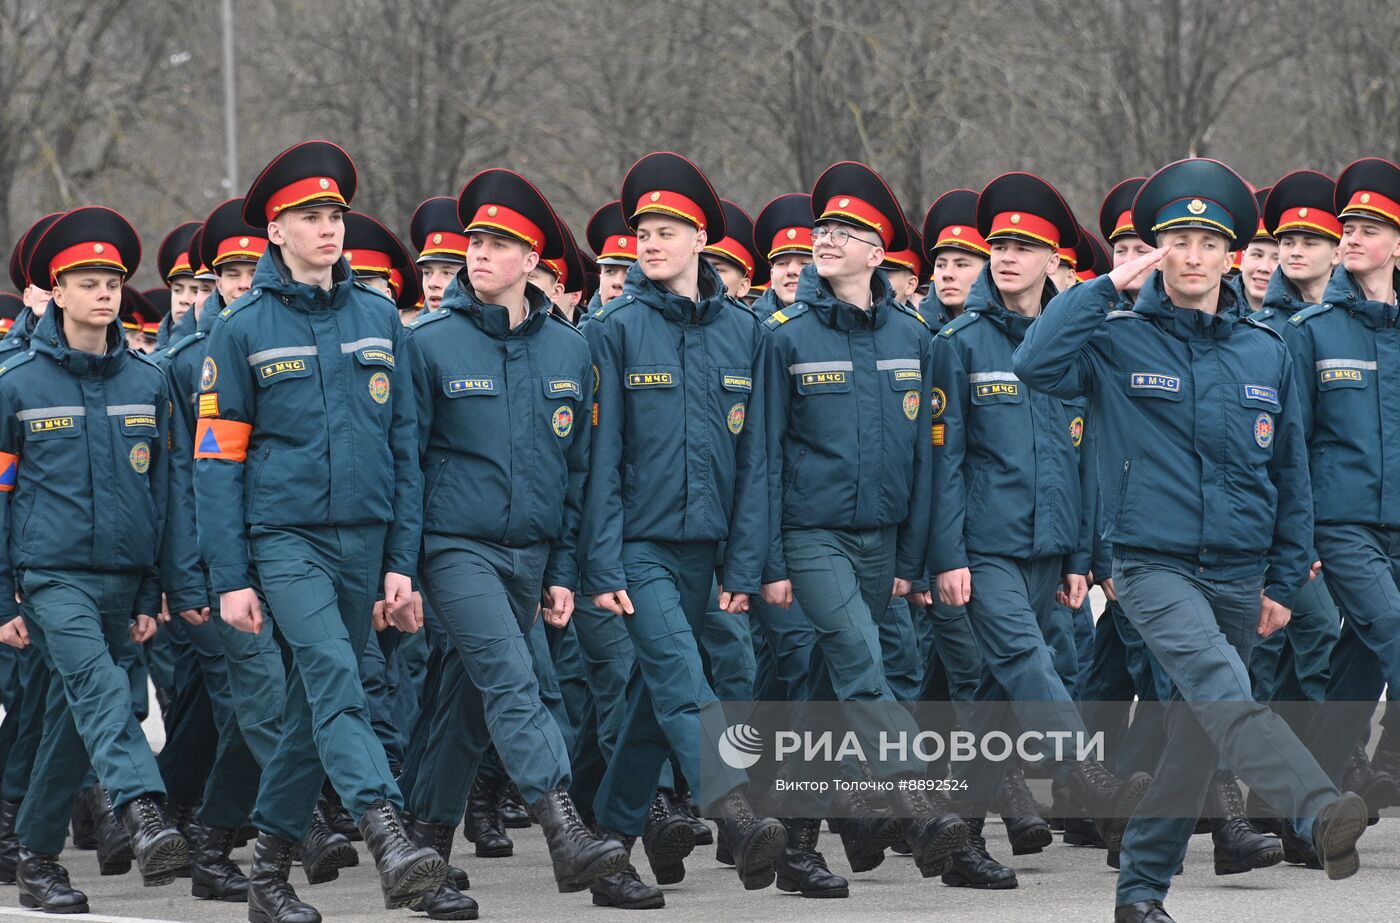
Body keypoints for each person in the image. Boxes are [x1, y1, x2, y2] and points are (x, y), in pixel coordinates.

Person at [1014, 156, 1369, 923]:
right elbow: (1034, 362)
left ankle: (1140, 893)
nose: (1194, 256)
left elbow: (1290, 468)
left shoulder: (1265, 348)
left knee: (1195, 737)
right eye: (1178, 240)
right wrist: (1107, 284)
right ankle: (1313, 806)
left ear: (1231, 255)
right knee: (1220, 685)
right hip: (1151, 563)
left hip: (1241, 571)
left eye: (1209, 242)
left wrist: (1282, 578)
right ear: (1157, 251)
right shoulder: (1115, 339)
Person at [194, 140, 443, 923]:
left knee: (310, 706)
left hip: (365, 540)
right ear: (276, 229)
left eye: (335, 213)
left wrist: (402, 561)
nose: (328, 226)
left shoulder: (377, 315)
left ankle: (267, 874)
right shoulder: (239, 329)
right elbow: (214, 462)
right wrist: (230, 576)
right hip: (284, 538)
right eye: (310, 216)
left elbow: (404, 445)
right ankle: (387, 831)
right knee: (337, 675)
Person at [403, 167, 626, 918]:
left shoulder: (570, 351)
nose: (480, 254)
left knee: (469, 704)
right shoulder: (430, 343)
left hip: (530, 553)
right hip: (454, 546)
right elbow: (407, 464)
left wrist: (564, 568)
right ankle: (564, 827)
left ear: (533, 261)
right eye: (475, 241)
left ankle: (424, 852)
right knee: (511, 677)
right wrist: (402, 565)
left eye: (499, 244)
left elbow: (574, 474)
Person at [581, 151, 785, 900]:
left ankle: (605, 846)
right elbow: (598, 461)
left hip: (710, 548)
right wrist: (599, 565)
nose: (651, 242)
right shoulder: (615, 329)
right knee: (678, 673)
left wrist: (744, 564)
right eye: (644, 231)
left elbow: (757, 461)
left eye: (668, 229)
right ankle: (734, 809)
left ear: (702, 238)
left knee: (650, 701)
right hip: (638, 544)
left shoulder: (745, 332)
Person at [2, 206, 188, 911]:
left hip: (124, 578)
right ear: (57, 290)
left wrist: (153, 591)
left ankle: (37, 857)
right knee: (105, 689)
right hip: (50, 578)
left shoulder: (148, 381)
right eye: (87, 280)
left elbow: (164, 494)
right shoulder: (15, 384)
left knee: (70, 723)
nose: (105, 292)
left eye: (112, 279)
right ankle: (142, 808)